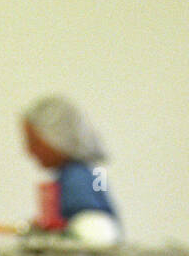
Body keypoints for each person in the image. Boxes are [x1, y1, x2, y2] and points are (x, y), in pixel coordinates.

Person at [22, 95, 122, 246]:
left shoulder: (77, 178)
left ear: (57, 137)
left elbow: (96, 231)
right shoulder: (93, 173)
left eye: (34, 141)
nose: (29, 150)